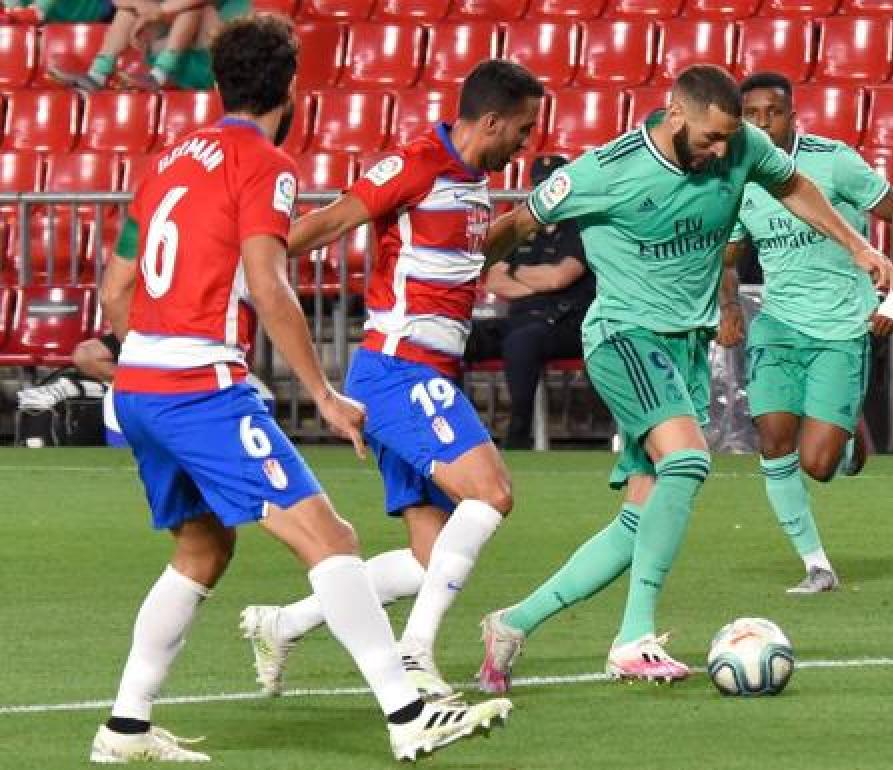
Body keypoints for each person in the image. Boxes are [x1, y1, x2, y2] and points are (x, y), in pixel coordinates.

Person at [88, 16, 509, 763]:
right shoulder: (263, 160)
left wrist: (148, 358)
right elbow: (267, 280)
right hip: (198, 386)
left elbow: (117, 286)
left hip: (142, 383)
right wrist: (318, 390)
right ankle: (408, 713)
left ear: (218, 84)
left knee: (202, 551)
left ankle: (124, 726)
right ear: (291, 89)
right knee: (330, 539)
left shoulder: (163, 161)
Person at [475, 64, 893, 693]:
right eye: (711, 139)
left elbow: (795, 185)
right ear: (675, 114)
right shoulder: (604, 172)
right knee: (690, 461)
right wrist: (447, 281)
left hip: (684, 350)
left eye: (730, 140)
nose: (724, 151)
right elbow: (516, 227)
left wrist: (857, 247)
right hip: (624, 337)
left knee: (638, 521)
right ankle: (632, 638)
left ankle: (513, 622)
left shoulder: (740, 146)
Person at [236, 59, 544, 700]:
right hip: (399, 370)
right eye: (522, 128)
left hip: (428, 375)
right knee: (492, 492)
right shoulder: (415, 162)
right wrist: (244, 259)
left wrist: (523, 225)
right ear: (490, 120)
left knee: (431, 561)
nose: (527, 143)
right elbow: (329, 223)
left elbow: (465, 261)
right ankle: (413, 654)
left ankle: (284, 623)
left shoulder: (474, 184)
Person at [720, 72, 893, 594]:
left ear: (793, 114)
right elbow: (729, 250)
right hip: (778, 326)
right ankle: (816, 565)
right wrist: (727, 304)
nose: (762, 123)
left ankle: (852, 446)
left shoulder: (833, 161)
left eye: (773, 113)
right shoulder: (741, 175)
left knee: (820, 464)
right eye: (751, 114)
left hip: (840, 327)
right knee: (773, 440)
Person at [483, 154, 594, 449]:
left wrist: (516, 272)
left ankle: (518, 433)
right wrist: (538, 284)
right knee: (461, 337)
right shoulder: (521, 226)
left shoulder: (581, 227)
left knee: (523, 341)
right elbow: (493, 279)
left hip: (564, 324)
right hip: (519, 317)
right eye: (541, 186)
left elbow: (561, 277)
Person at [49, 0, 250, 91]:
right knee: (128, 10)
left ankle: (159, 75)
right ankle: (97, 75)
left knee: (193, 8)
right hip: (173, 49)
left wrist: (160, 11)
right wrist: (142, 6)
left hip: (211, 61)